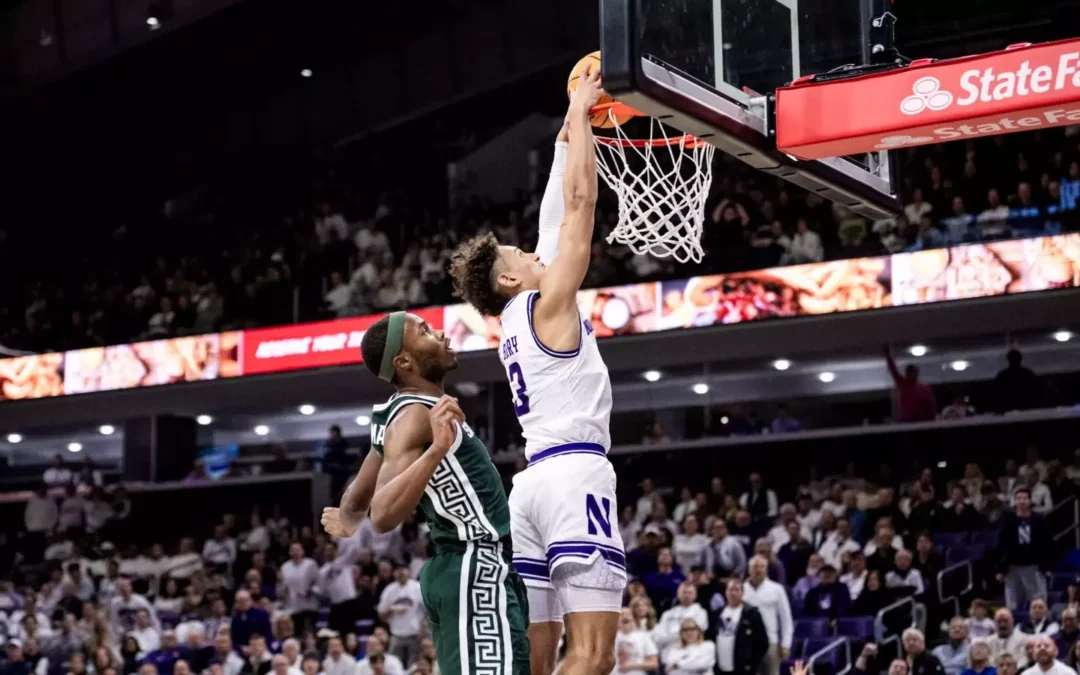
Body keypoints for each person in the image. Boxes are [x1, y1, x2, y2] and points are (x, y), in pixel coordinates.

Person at [449, 68, 621, 675]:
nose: (531, 251)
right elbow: (579, 205)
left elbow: (553, 214)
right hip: (575, 476)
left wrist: (568, 137)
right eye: (520, 255)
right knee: (594, 656)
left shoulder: (520, 317)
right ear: (509, 279)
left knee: (539, 661)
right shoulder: (550, 304)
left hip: (532, 488)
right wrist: (579, 106)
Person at [320, 310, 528, 675]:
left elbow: (358, 501)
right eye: (425, 331)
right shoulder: (416, 414)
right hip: (470, 562)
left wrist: (348, 517)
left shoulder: (402, 414)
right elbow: (382, 515)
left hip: (474, 566)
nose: (441, 333)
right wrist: (435, 451)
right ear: (404, 362)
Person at [998, 489, 1049, 610]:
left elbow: (1046, 543)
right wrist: (1000, 569)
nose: (1022, 501)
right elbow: (1001, 545)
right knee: (1012, 602)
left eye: (1025, 498)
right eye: (1019, 498)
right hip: (1012, 566)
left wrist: (1045, 565)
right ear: (1014, 501)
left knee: (1038, 601)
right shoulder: (1008, 520)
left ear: (1030, 501)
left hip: (1034, 565)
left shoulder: (1039, 520)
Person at [743, 556, 793, 675]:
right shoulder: (741, 589)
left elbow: (786, 619)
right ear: (749, 569)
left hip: (770, 642)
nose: (758, 570)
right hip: (746, 643)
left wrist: (786, 644)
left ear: (766, 569)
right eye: (755, 567)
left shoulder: (777, 589)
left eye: (762, 567)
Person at [715, 578, 769, 675]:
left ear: (742, 592)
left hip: (743, 669)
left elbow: (762, 642)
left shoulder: (752, 614)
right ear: (726, 592)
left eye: (737, 590)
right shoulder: (717, 613)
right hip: (720, 667)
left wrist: (751, 664)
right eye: (730, 589)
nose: (733, 593)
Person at [377, 565, 425, 667]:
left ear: (409, 571)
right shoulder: (389, 590)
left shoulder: (417, 587)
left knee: (413, 668)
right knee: (394, 666)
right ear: (394, 573)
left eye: (403, 570)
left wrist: (423, 628)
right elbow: (381, 614)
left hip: (414, 635)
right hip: (396, 636)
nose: (401, 573)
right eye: (398, 570)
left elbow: (428, 611)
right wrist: (391, 611)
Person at [651, 582, 708, 661]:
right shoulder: (667, 614)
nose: (687, 595)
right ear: (678, 594)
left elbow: (695, 635)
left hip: (690, 655)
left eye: (690, 593)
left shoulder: (701, 613)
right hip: (668, 655)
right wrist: (677, 634)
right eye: (684, 592)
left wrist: (669, 636)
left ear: (695, 595)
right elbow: (659, 636)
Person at [884, 345, 938, 422]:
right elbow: (893, 370)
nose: (912, 374)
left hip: (920, 419)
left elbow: (931, 404)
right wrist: (887, 355)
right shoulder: (902, 383)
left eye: (914, 372)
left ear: (916, 373)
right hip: (906, 420)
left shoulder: (924, 387)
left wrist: (931, 418)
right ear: (907, 373)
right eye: (910, 372)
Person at [613, 608, 659, 675]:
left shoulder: (643, 636)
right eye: (622, 614)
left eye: (628, 614)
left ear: (633, 618)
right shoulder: (611, 638)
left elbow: (654, 663)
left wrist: (630, 666)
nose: (625, 617)